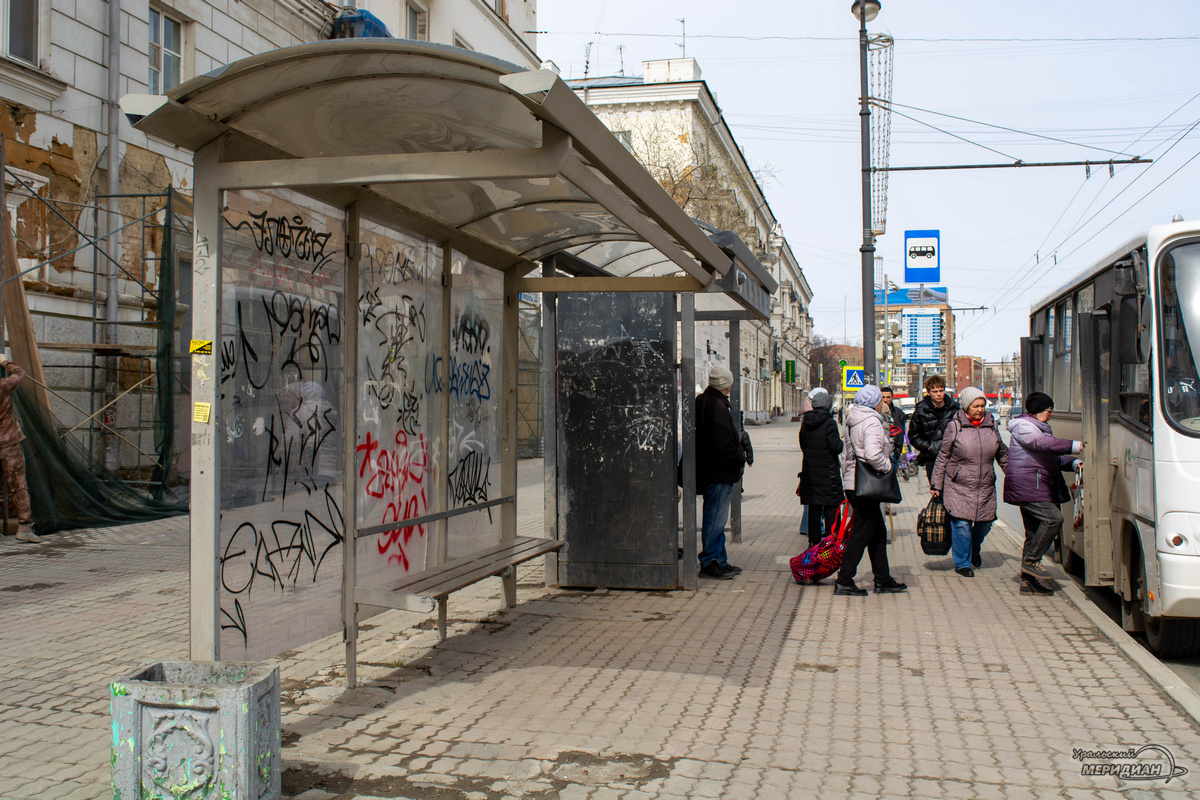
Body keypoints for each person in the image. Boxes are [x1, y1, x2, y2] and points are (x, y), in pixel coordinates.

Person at [1003, 391, 1083, 595]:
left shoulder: (1039, 427)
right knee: (1053, 519)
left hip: (1036, 485)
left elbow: (1050, 457)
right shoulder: (1025, 427)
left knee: (1033, 534)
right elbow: (1042, 444)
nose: (1051, 413)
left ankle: (1028, 583)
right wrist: (1074, 446)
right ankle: (1031, 561)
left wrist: (1073, 463)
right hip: (1029, 486)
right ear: (1039, 411)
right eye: (1049, 410)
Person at [834, 385, 907, 596]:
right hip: (866, 484)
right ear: (875, 401)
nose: (883, 402)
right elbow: (874, 455)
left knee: (877, 533)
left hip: (853, 482)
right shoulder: (872, 421)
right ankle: (844, 580)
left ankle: (883, 579)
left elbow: (848, 454)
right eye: (880, 399)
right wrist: (888, 468)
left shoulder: (853, 419)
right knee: (861, 534)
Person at [931, 387, 1008, 578]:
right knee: (962, 526)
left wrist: (1015, 475)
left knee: (985, 524)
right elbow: (943, 456)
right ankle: (962, 563)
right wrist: (936, 485)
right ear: (966, 406)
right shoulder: (955, 426)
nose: (980, 409)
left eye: (983, 405)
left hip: (985, 485)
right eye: (976, 406)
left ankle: (973, 549)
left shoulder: (992, 425)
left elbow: (1002, 454)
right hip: (958, 485)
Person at [695, 364, 747, 580]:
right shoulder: (716, 405)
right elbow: (723, 442)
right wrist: (739, 458)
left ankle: (719, 559)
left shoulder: (706, 401)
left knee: (717, 518)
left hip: (714, 470)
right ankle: (709, 561)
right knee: (715, 519)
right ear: (727, 385)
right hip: (719, 472)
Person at [798, 388, 843, 552]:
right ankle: (832, 543)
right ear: (828, 406)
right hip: (828, 474)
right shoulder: (829, 423)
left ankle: (813, 543)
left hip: (810, 473)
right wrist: (842, 443)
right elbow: (836, 447)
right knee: (831, 509)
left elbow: (803, 445)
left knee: (814, 510)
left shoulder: (805, 422)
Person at [0, 356, 39, 543]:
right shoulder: (4, 386)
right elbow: (20, 373)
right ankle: (24, 528)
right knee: (19, 487)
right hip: (9, 443)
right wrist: (4, 361)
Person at [907, 375, 961, 485]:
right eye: (935, 391)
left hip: (954, 458)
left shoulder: (954, 409)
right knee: (938, 491)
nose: (939, 394)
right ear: (928, 392)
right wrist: (930, 447)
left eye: (941, 390)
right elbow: (913, 436)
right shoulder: (921, 411)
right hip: (933, 459)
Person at [880, 386, 908, 472]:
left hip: (894, 452)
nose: (885, 400)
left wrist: (898, 449)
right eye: (883, 397)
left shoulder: (898, 413)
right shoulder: (875, 412)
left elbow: (902, 431)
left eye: (888, 397)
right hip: (880, 451)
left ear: (892, 397)